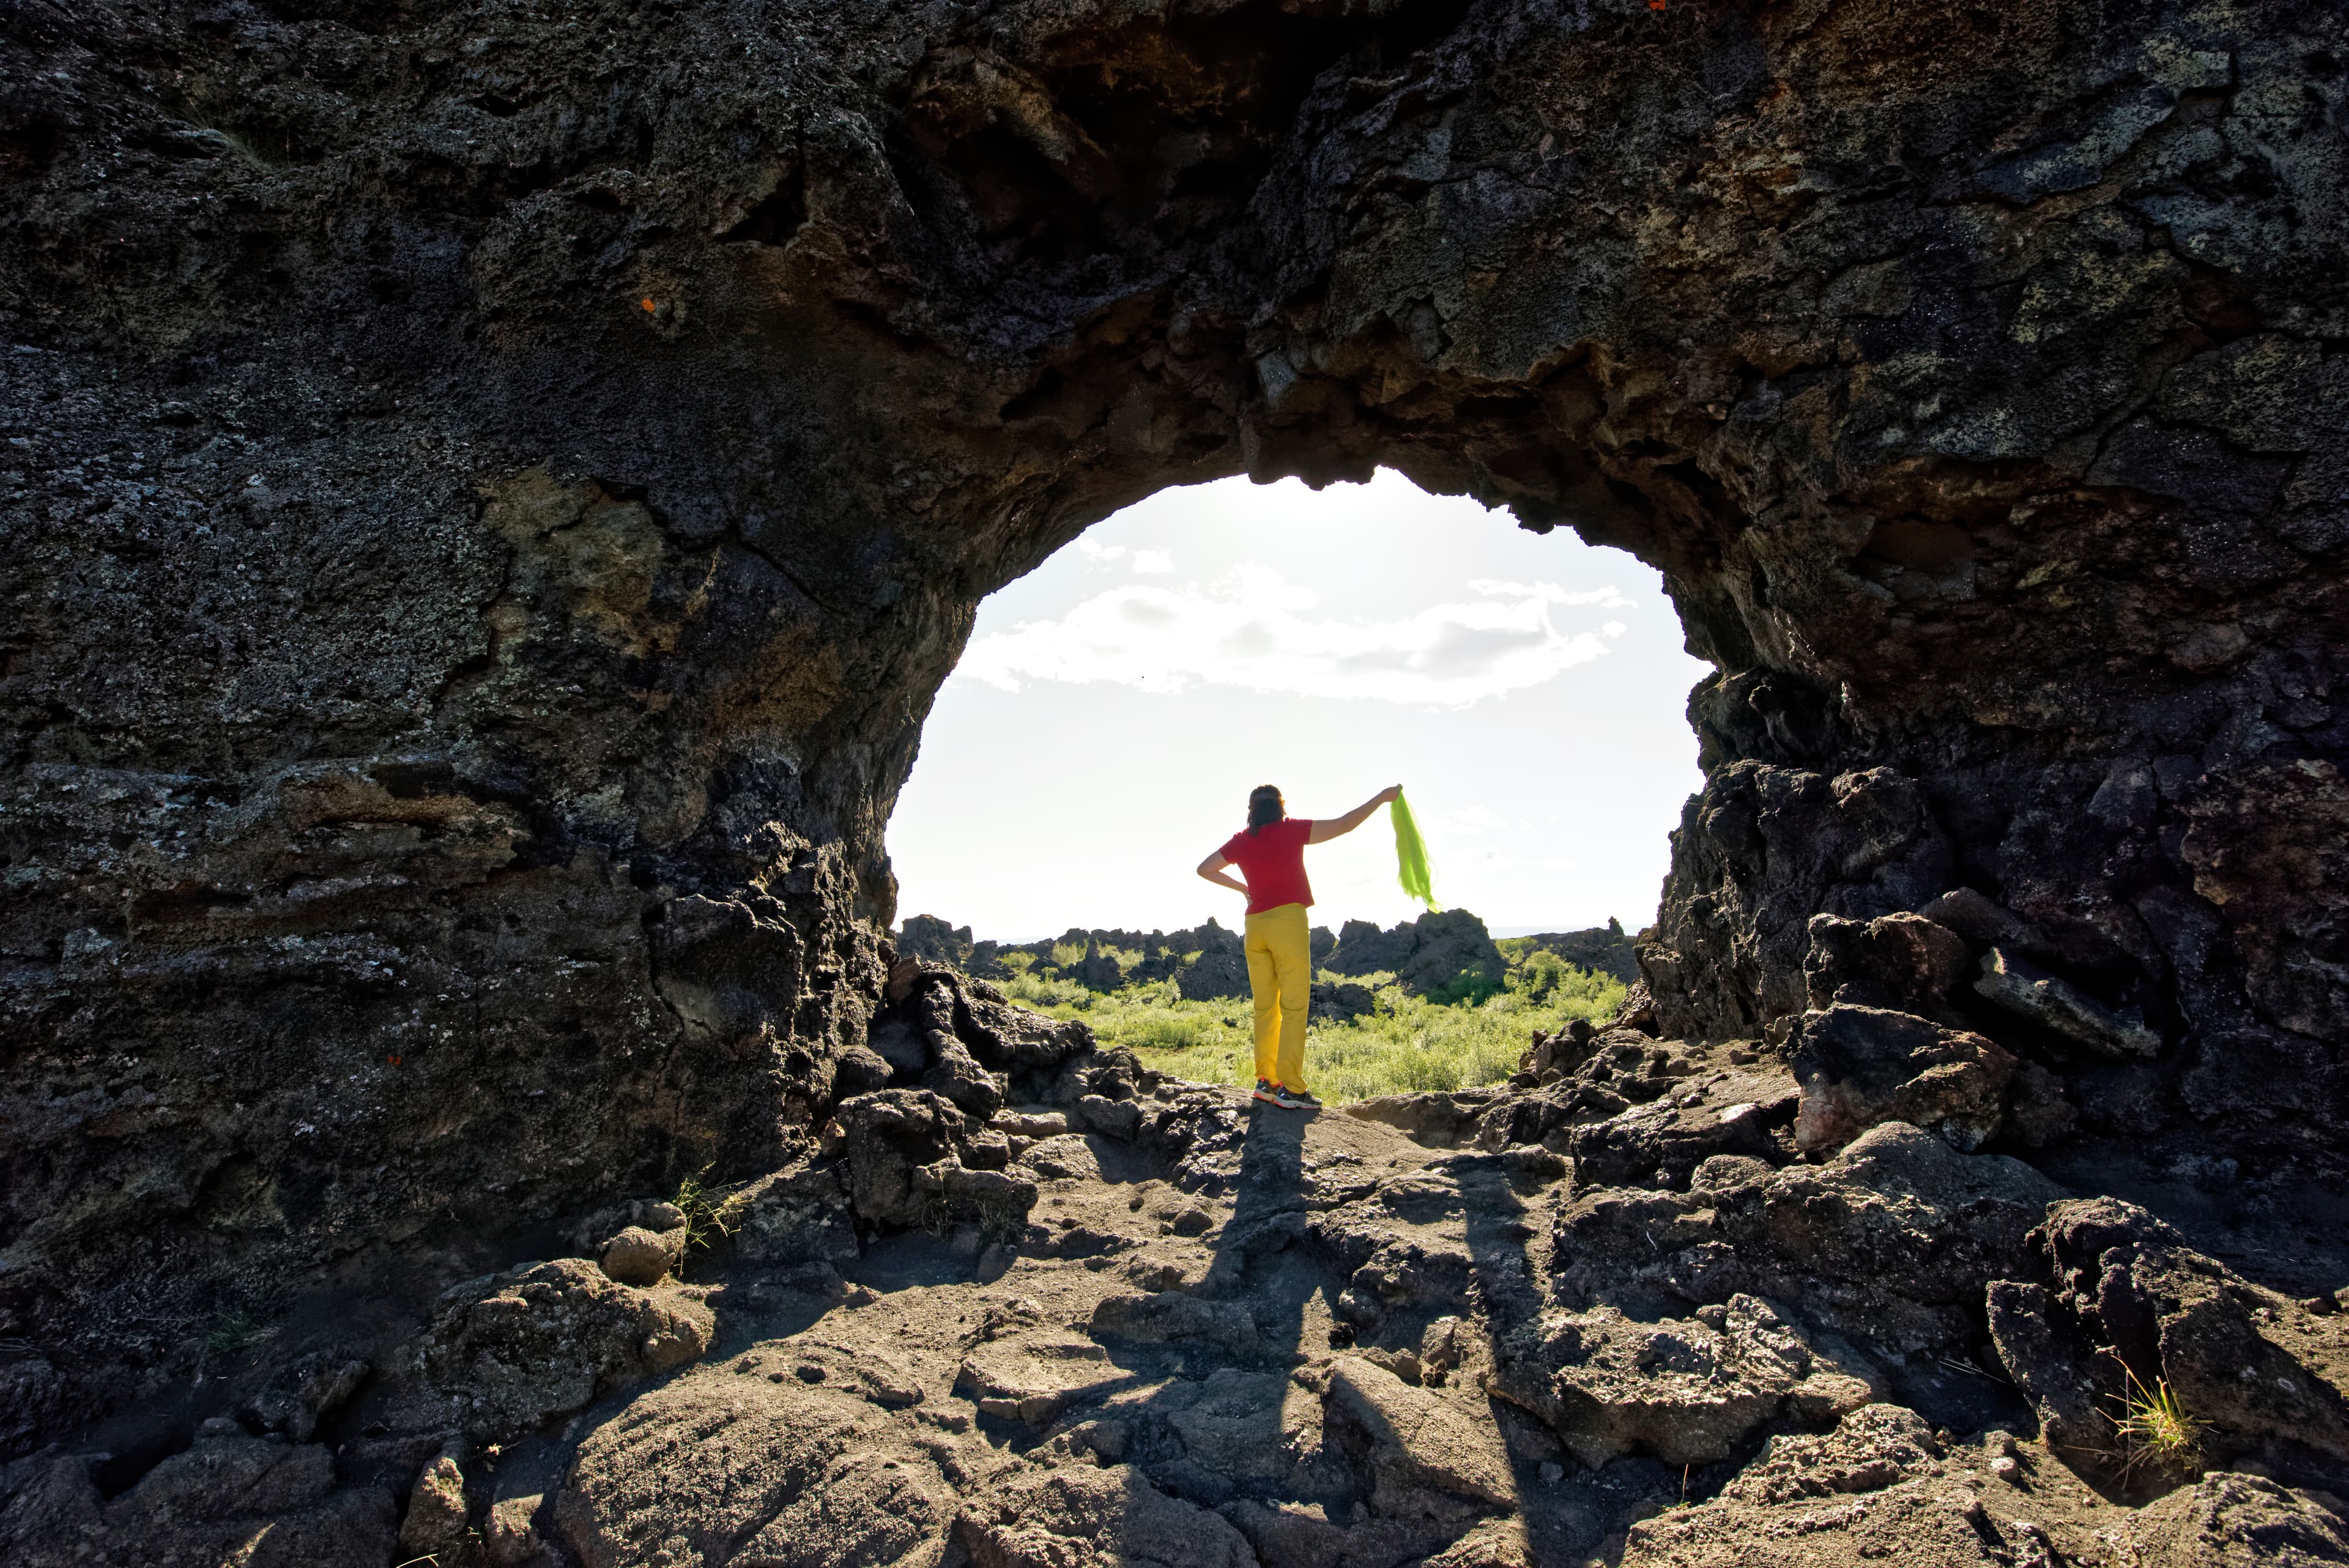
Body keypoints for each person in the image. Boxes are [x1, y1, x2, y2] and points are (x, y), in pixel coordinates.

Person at [1196, 782, 1401, 1110]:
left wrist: (1242, 888)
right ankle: (1291, 1090)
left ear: (1252, 810)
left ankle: (1266, 1082)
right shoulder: (1291, 830)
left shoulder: (1241, 841)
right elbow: (1345, 823)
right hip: (1287, 924)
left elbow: (1204, 869)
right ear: (1280, 806)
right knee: (1293, 1008)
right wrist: (1383, 797)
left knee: (1266, 1008)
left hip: (1255, 927)